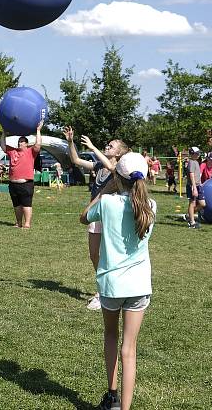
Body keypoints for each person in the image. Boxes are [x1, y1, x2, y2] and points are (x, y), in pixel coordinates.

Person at [80, 152, 156, 410]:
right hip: (139, 285)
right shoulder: (151, 206)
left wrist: (105, 190)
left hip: (111, 285)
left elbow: (84, 217)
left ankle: (111, 395)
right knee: (130, 350)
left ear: (117, 178)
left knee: (111, 336)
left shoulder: (107, 202)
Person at [64, 126, 130, 311]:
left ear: (119, 153)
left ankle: (104, 292)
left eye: (111, 146)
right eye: (107, 145)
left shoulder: (118, 168)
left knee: (109, 255)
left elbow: (111, 167)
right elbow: (76, 160)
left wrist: (93, 148)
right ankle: (105, 287)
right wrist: (70, 142)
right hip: (96, 214)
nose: (107, 146)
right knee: (94, 255)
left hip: (111, 216)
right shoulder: (99, 165)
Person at [2, 121, 42, 228]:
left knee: (26, 204)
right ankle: (18, 223)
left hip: (26, 184)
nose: (20, 143)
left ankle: (27, 224)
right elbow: (2, 145)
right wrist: (4, 133)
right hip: (13, 184)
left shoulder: (31, 151)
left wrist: (38, 130)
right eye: (19, 141)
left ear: (27, 144)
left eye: (23, 141)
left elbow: (38, 145)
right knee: (16, 205)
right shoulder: (12, 151)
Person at [185, 146, 205, 229]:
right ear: (192, 153)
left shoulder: (196, 162)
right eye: (196, 153)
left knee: (202, 204)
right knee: (192, 203)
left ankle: (189, 215)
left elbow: (197, 175)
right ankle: (192, 223)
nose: (198, 154)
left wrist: (199, 184)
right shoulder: (191, 162)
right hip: (192, 186)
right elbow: (191, 174)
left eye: (198, 153)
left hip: (198, 185)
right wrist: (194, 187)